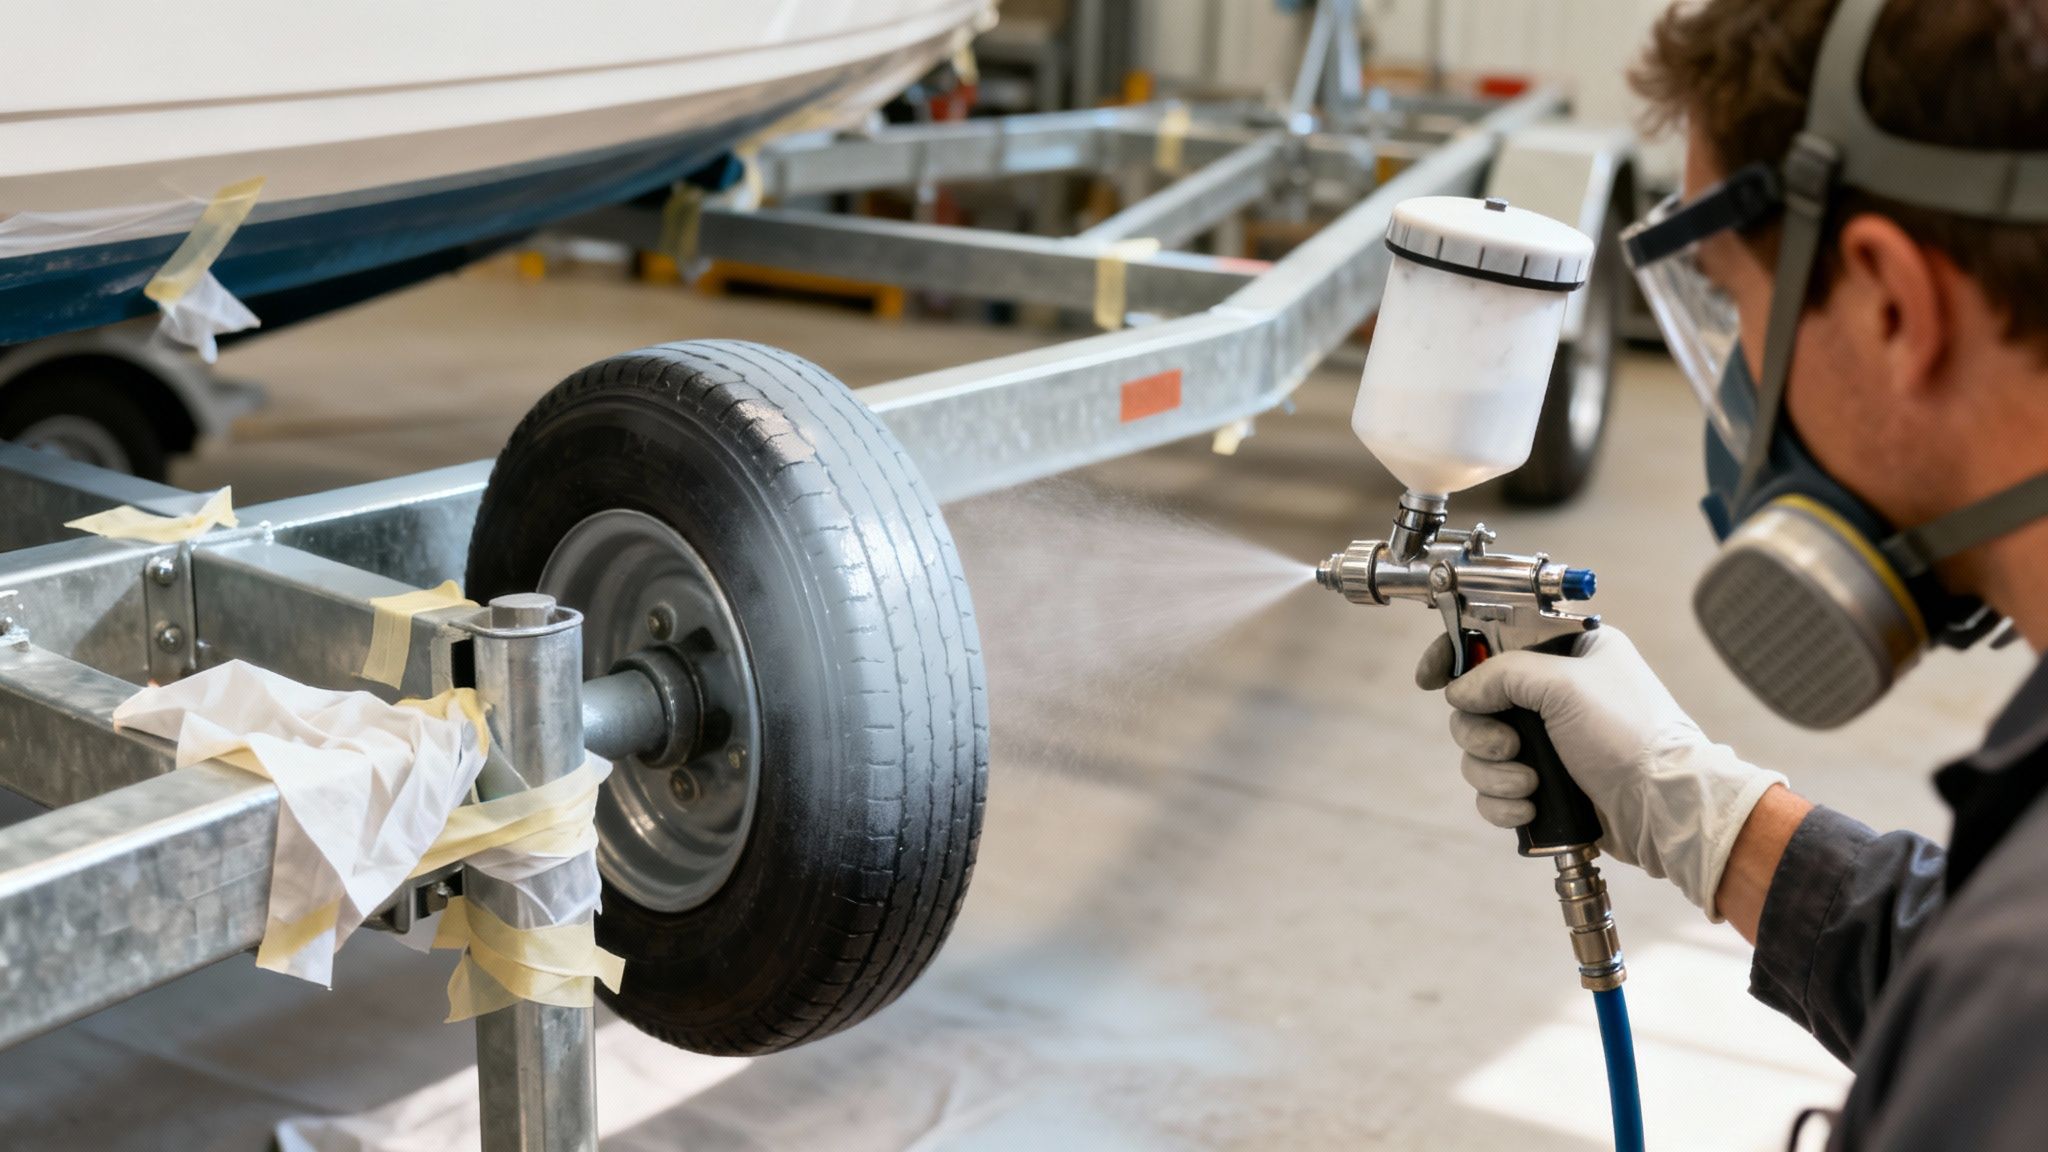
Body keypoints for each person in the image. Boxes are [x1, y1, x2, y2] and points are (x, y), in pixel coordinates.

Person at [1416, 0, 2048, 1147]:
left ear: (1889, 305)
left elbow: (1996, 998)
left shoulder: (2017, 990)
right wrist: (1701, 813)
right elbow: (1960, 973)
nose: (1737, 380)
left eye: (1732, 298)